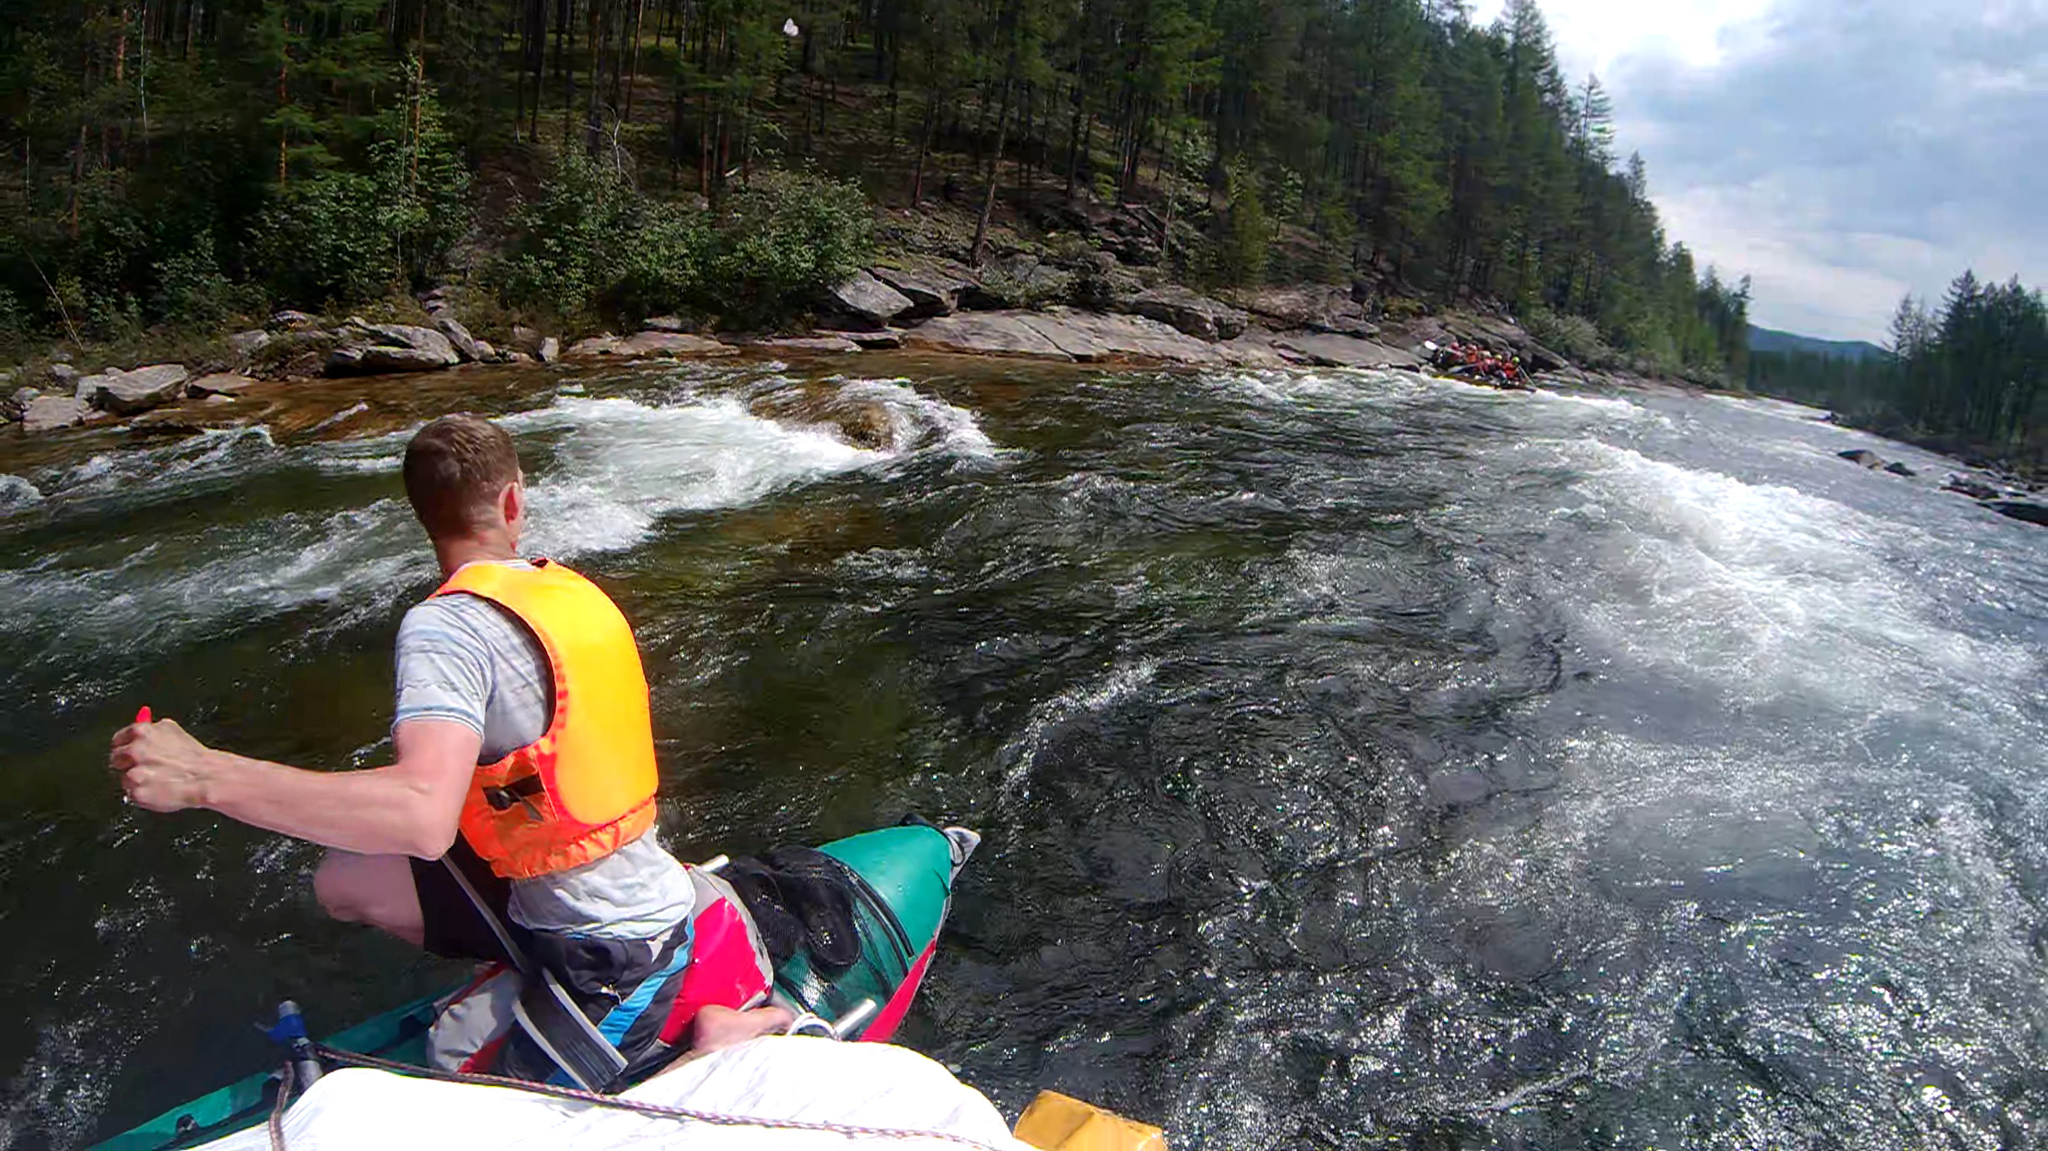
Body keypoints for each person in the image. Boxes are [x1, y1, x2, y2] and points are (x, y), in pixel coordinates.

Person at [110, 414, 787, 1075]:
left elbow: (420, 819)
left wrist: (204, 775)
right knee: (344, 877)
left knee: (468, 1079)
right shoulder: (567, 590)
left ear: (422, 514)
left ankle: (722, 1029)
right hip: (574, 878)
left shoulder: (443, 626)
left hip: (616, 939)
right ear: (513, 499)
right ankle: (532, 973)